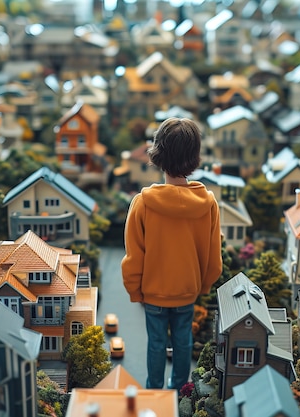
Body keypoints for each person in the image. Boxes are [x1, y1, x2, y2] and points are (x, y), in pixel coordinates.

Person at [121, 117, 223, 391]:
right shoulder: (208, 204)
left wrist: (135, 290)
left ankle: (154, 390)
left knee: (155, 344)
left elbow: (133, 255)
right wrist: (201, 286)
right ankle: (179, 389)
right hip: (187, 291)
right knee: (183, 341)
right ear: (194, 156)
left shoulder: (142, 203)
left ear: (158, 155)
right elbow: (213, 257)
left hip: (153, 292)